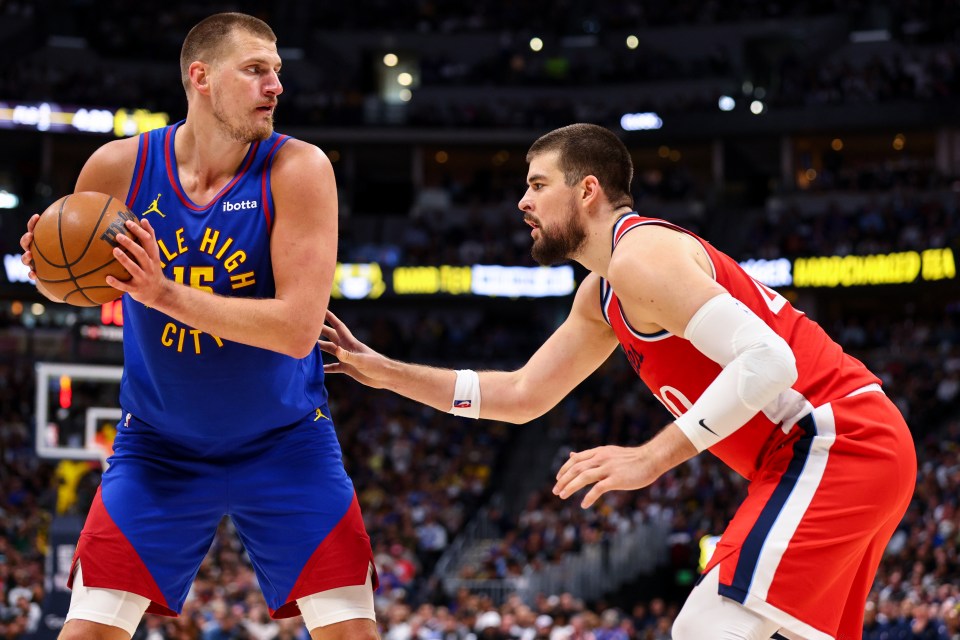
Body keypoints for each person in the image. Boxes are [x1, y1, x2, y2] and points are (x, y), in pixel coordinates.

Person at [318, 123, 917, 640]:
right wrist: (386, 372)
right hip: (822, 452)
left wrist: (651, 458)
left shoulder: (642, 256)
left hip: (836, 440)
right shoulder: (602, 293)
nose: (521, 203)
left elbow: (770, 363)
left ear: (587, 191)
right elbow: (522, 397)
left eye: (537, 185)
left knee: (709, 627)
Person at [19, 13, 379, 640]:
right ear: (201, 76)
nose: (275, 86)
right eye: (256, 70)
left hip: (286, 443)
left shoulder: (300, 170)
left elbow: (298, 330)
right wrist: (49, 269)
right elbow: (90, 284)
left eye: (277, 72)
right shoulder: (115, 168)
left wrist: (164, 293)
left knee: (350, 632)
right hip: (158, 446)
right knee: (86, 632)